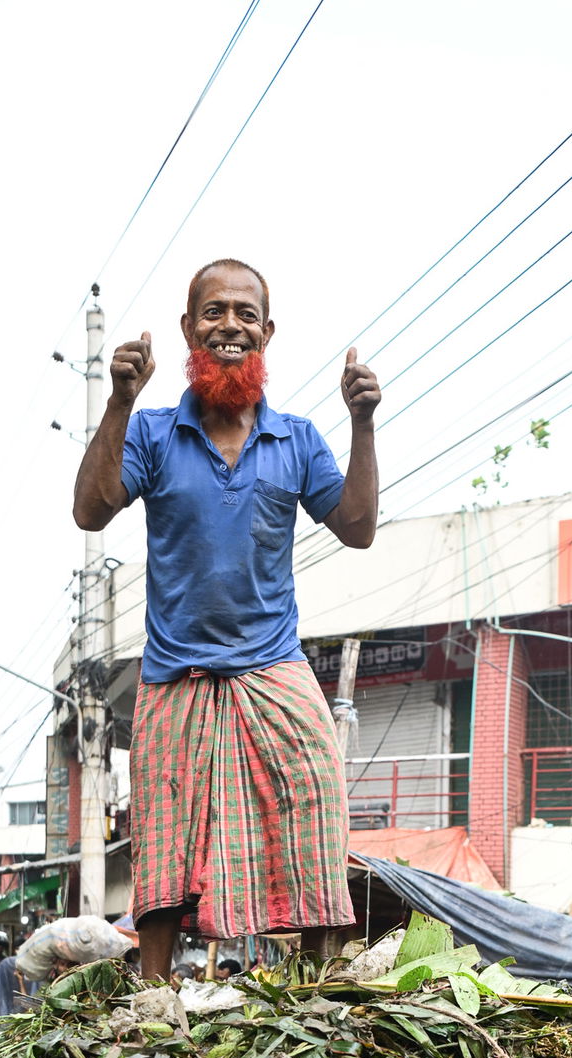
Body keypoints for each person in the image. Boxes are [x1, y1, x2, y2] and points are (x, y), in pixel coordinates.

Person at [71, 257, 381, 981]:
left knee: (316, 808)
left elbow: (359, 526)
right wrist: (118, 401)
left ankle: (318, 993)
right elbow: (89, 509)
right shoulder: (149, 432)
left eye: (246, 314)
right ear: (189, 329)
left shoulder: (297, 439)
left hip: (273, 668)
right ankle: (154, 998)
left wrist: (363, 424)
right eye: (215, 312)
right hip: (175, 675)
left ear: (267, 333)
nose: (230, 326)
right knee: (164, 842)